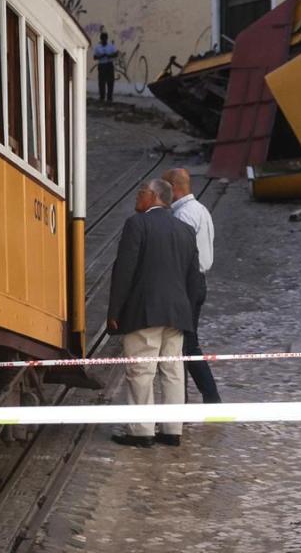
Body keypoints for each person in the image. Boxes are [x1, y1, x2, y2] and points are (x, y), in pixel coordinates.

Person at [106, 178, 205, 448]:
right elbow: (194, 278)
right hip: (177, 313)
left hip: (145, 311)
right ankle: (172, 430)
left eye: (141, 192)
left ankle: (141, 431)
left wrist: (115, 310)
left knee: (141, 370)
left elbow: (124, 270)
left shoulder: (137, 224)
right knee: (173, 370)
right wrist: (187, 312)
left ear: (154, 196)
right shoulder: (185, 230)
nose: (137, 197)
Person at [164, 168, 222, 404]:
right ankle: (199, 398)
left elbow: (179, 256)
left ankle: (207, 398)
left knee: (186, 345)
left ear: (173, 187)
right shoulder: (200, 209)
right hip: (198, 282)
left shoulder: (183, 215)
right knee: (187, 344)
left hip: (187, 284)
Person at [93, 31, 119, 104]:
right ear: (101, 39)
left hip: (109, 64)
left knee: (110, 81)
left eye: (105, 39)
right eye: (103, 39)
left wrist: (109, 56)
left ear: (107, 39)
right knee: (101, 82)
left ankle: (109, 97)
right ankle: (102, 97)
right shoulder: (97, 47)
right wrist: (101, 56)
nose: (104, 40)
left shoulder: (111, 46)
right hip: (102, 65)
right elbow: (94, 57)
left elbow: (116, 54)